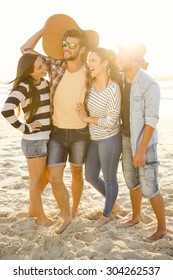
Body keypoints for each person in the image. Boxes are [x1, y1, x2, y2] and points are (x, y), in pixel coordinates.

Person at [20, 14, 99, 233]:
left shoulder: (91, 71)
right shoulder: (56, 66)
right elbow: (25, 50)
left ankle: (74, 209)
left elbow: (107, 89)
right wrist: (45, 31)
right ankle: (65, 217)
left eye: (71, 45)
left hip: (80, 133)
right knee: (55, 178)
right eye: (64, 43)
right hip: (56, 133)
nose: (65, 48)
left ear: (82, 49)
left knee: (76, 174)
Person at [116, 43, 167, 242]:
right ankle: (136, 216)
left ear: (135, 60)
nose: (119, 60)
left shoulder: (149, 85)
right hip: (125, 138)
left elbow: (151, 121)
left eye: (123, 57)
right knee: (131, 181)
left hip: (144, 143)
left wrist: (141, 150)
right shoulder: (120, 80)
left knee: (150, 187)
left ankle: (162, 228)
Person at [1, 53, 53, 226]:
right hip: (34, 141)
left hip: (47, 139)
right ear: (30, 71)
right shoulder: (24, 86)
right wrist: (26, 127)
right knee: (35, 181)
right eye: (40, 67)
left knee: (46, 178)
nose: (44, 68)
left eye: (44, 64)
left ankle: (33, 209)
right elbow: (6, 110)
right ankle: (40, 218)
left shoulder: (45, 83)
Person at [77, 48, 122, 227]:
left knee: (110, 178)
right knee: (90, 176)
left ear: (104, 64)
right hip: (93, 138)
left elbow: (111, 121)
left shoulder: (113, 88)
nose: (89, 64)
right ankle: (113, 203)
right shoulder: (89, 85)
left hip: (110, 139)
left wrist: (86, 119)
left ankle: (106, 214)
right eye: (88, 60)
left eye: (93, 60)